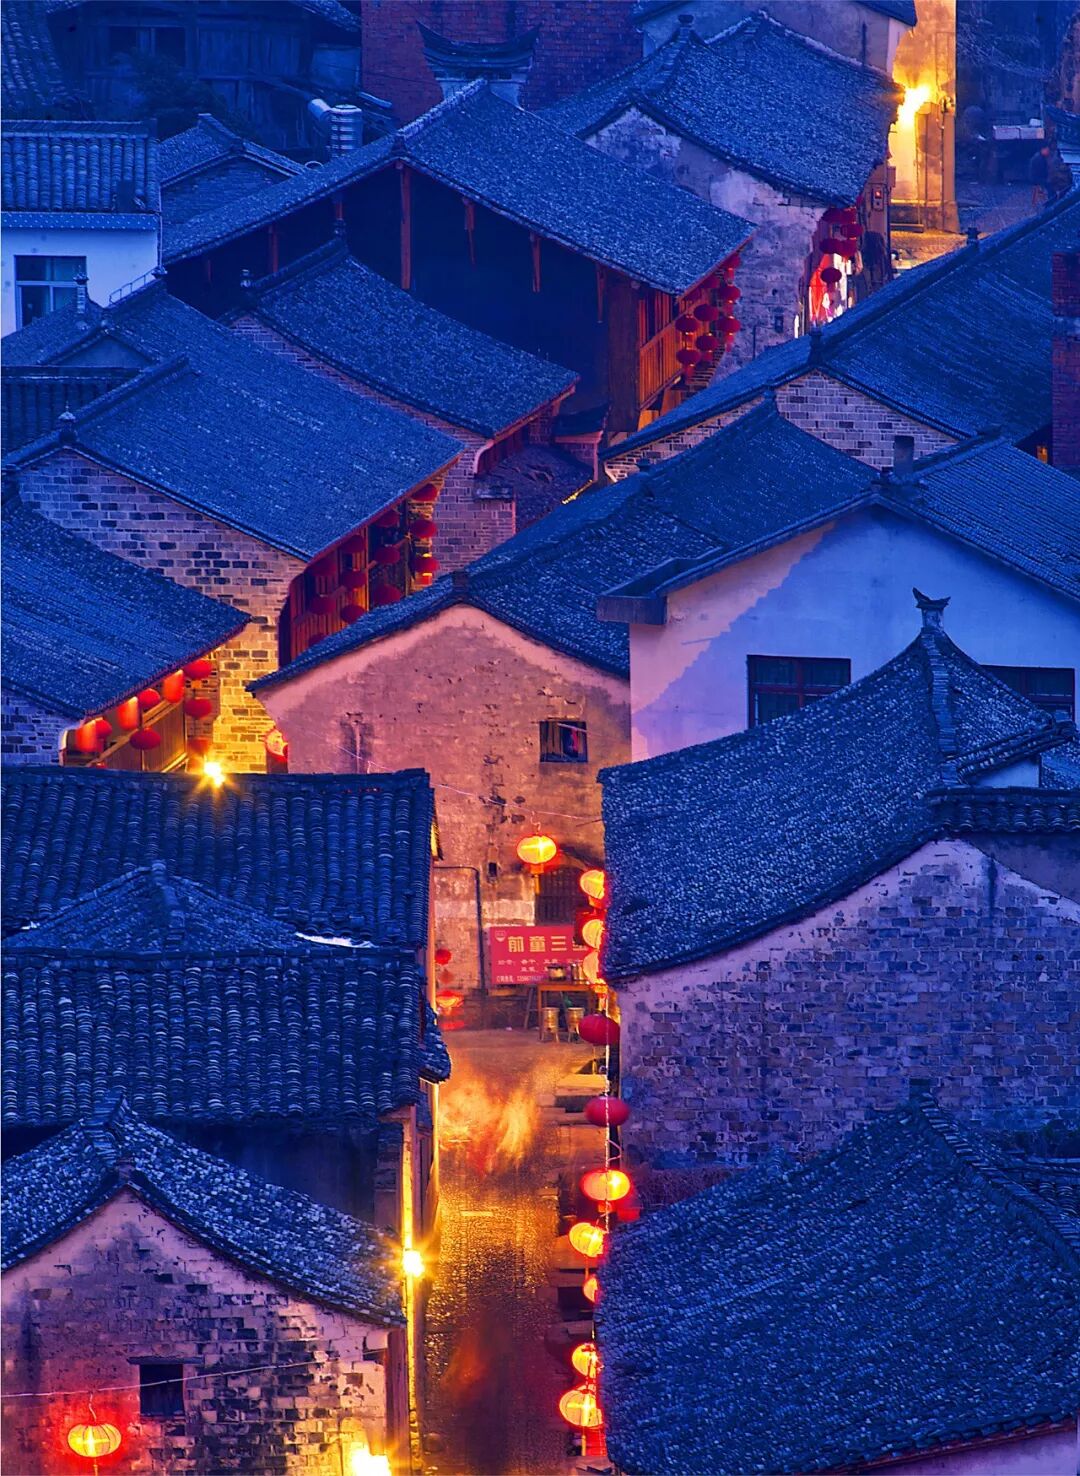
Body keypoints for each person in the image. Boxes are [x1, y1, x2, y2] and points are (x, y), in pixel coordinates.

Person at [1029, 144, 1051, 208]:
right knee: (1050, 185)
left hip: (1036, 177)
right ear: (1043, 150)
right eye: (1047, 150)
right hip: (1036, 178)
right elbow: (1042, 171)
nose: (1048, 152)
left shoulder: (1040, 157)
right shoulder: (1038, 159)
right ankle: (1050, 201)